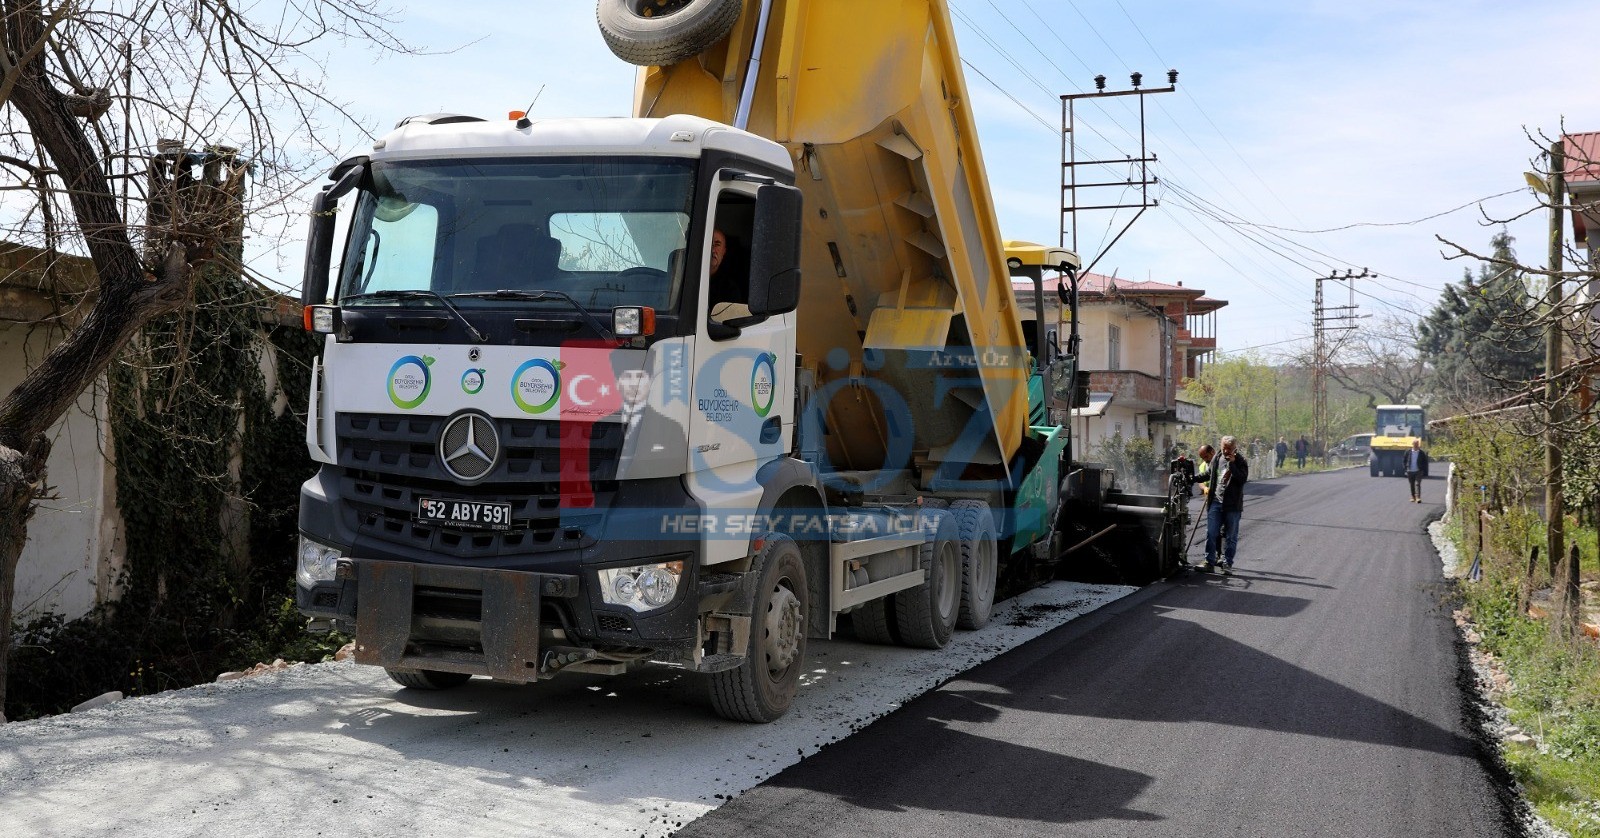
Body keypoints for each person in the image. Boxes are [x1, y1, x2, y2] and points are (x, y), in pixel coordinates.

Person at [1199, 435, 1248, 574]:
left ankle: (1227, 563)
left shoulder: (1240, 460)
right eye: (1224, 448)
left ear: (1234, 448)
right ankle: (1209, 561)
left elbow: (1242, 479)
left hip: (1232, 505)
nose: (1226, 451)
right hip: (1215, 501)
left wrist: (1232, 464)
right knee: (1211, 532)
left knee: (1231, 536)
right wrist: (1193, 478)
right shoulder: (1217, 457)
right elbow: (1209, 473)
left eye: (1229, 449)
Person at [1404, 438, 1430, 503]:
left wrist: (1423, 470)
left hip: (1418, 471)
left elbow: (1425, 462)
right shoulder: (1408, 452)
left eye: (1417, 444)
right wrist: (1406, 469)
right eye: (1414, 444)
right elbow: (1404, 461)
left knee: (1417, 484)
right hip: (1410, 471)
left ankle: (1418, 497)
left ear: (1418, 445)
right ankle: (1413, 497)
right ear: (1412, 444)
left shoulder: (1421, 453)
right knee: (1411, 484)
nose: (1416, 445)